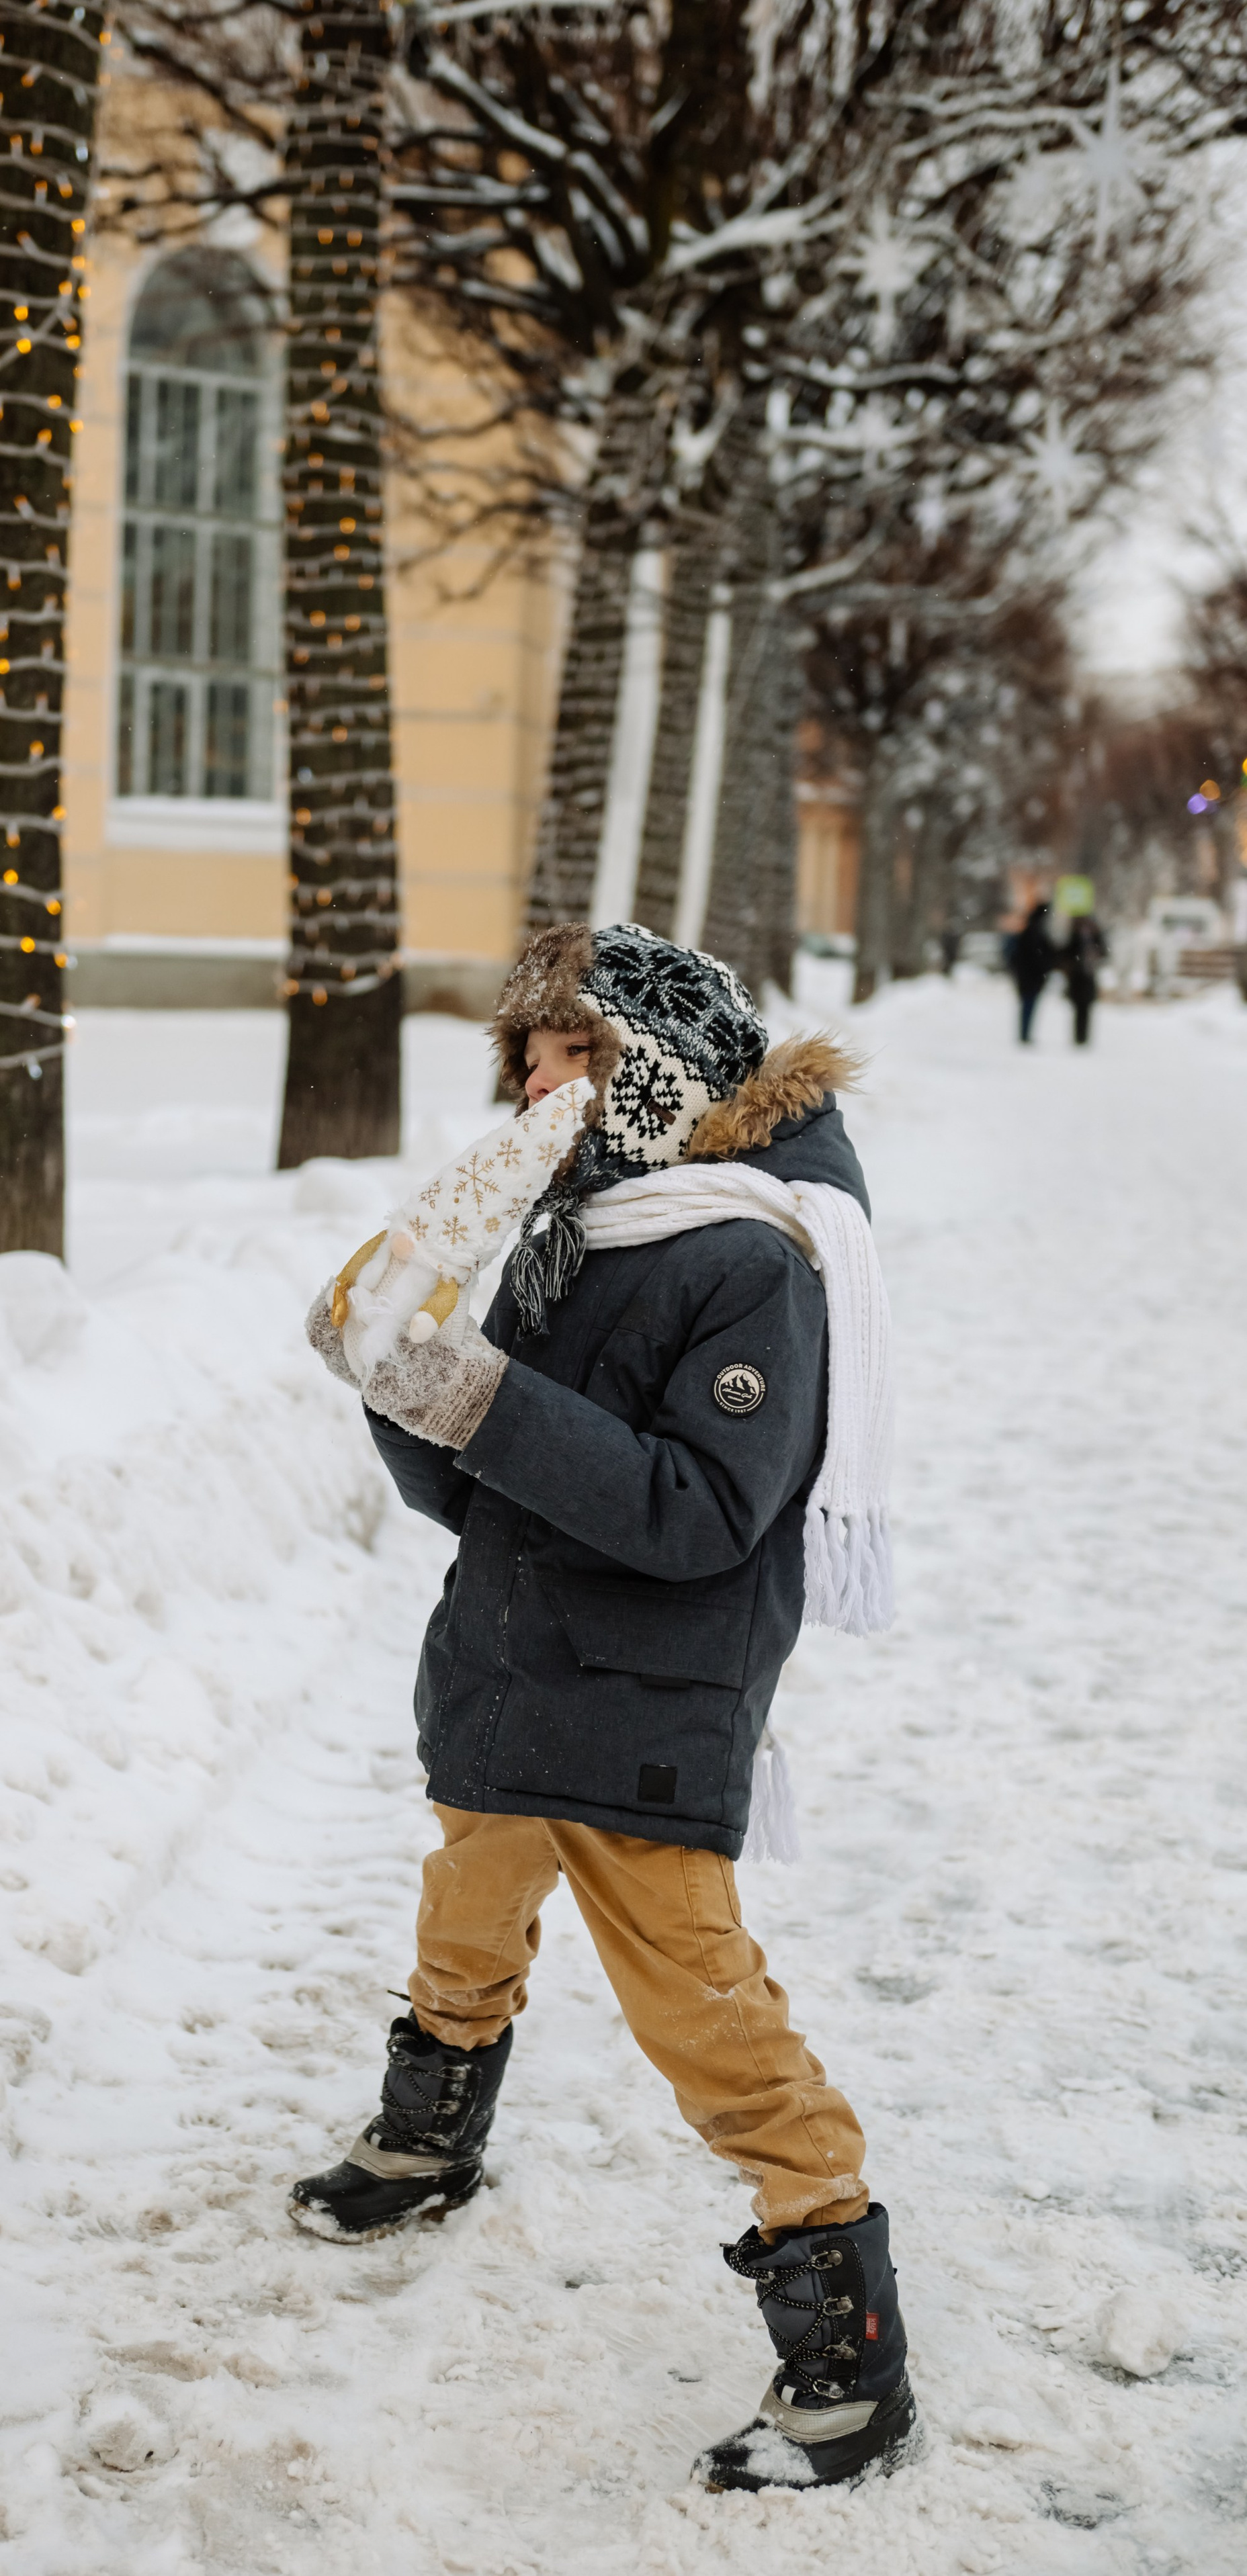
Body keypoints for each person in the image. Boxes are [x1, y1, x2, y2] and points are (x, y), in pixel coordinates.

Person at [300, 923, 916, 2495]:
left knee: (700, 2010)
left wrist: (483, 1394)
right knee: (466, 1904)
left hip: (645, 1702)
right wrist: (397, 1377)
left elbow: (696, 1510)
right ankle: (431, 2128)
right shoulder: (565, 1234)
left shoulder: (747, 1260)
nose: (530, 1081)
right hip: (507, 1663)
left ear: (649, 1068)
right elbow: (468, 1477)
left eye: (565, 1050)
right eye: (522, 1052)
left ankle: (840, 2322)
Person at [1006, 899, 1056, 1044]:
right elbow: (1036, 956)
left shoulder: (1031, 931)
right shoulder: (1034, 932)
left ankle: (1025, 1034)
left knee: (1028, 1006)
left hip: (1029, 977)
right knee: (1028, 1006)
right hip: (1031, 978)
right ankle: (1025, 1035)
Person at [1063, 914, 1108, 1046]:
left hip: (1088, 977)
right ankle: (1078, 1037)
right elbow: (1067, 954)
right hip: (1078, 978)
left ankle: (1084, 1037)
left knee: (1086, 1009)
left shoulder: (1095, 938)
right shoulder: (1075, 938)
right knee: (1078, 1009)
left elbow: (1104, 953)